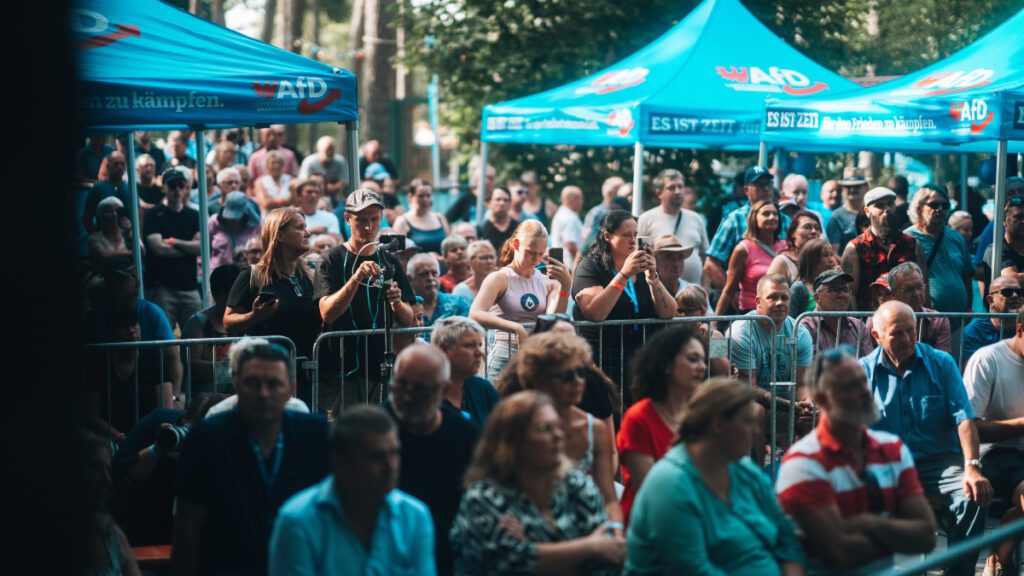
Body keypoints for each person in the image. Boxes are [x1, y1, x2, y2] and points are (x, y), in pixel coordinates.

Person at [172, 339, 329, 576]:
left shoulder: (315, 433)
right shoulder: (207, 437)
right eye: (252, 383)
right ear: (236, 385)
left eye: (273, 383)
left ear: (290, 389)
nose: (263, 393)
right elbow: (188, 526)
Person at [860, 301, 992, 576]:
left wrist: (972, 467)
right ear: (877, 336)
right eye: (898, 333)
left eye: (911, 330)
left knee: (973, 496)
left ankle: (957, 572)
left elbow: (964, 418)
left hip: (938, 463)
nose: (908, 339)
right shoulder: (862, 372)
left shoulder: (941, 363)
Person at [776, 347, 936, 573]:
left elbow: (927, 536)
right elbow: (839, 553)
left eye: (863, 381)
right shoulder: (803, 462)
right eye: (850, 386)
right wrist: (897, 535)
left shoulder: (892, 449)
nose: (865, 392)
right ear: (822, 399)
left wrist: (870, 524)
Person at [625, 379, 805, 575]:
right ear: (718, 424)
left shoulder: (745, 471)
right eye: (748, 422)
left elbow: (787, 540)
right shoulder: (670, 482)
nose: (756, 431)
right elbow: (693, 569)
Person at [450, 390, 625, 575]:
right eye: (544, 428)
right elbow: (510, 561)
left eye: (558, 426)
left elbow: (609, 554)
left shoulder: (575, 484)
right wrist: (590, 547)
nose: (558, 435)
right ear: (511, 441)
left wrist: (533, 546)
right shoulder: (482, 498)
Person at [268, 405, 435, 576]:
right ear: (341, 462)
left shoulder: (415, 516)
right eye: (377, 457)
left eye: (394, 453)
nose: (391, 466)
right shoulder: (298, 522)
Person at [499, 333, 624, 527]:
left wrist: (614, 529)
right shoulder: (515, 421)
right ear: (539, 381)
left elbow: (608, 499)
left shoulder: (593, 428)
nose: (578, 381)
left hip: (586, 516)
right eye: (567, 376)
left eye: (581, 372)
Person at [315, 188, 417, 410]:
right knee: (344, 434)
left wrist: (397, 302)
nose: (369, 227)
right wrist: (356, 278)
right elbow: (327, 312)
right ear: (347, 219)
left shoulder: (388, 259)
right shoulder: (331, 259)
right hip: (340, 368)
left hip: (380, 365)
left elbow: (408, 319)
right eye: (361, 220)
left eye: (374, 220)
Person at [384, 344, 479, 575]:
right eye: (401, 385)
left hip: (449, 553)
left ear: (444, 390)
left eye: (420, 389)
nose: (407, 395)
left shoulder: (465, 436)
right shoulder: (378, 428)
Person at [572, 210, 677, 388]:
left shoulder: (641, 264)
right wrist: (624, 274)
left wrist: (653, 278)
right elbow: (595, 312)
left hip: (641, 359)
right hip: (603, 361)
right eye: (626, 235)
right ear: (607, 236)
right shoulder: (590, 266)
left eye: (636, 235)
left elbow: (669, 312)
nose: (633, 240)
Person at [618, 327, 707, 523]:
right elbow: (650, 488)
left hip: (695, 517)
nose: (702, 367)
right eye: (693, 359)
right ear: (667, 364)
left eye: (703, 360)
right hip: (651, 523)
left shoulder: (701, 415)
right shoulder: (638, 418)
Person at [726, 274, 815, 464]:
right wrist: (789, 405)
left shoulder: (800, 331)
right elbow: (749, 388)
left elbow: (802, 384)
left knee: (815, 413)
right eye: (773, 297)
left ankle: (798, 474)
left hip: (786, 403)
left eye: (784, 297)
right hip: (751, 403)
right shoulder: (742, 330)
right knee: (755, 411)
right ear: (758, 301)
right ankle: (756, 478)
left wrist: (808, 402)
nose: (780, 303)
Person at [963, 308, 1024, 576]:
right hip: (994, 455)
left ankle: (1000, 555)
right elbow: (969, 426)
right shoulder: (988, 359)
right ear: (1019, 330)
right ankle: (1000, 558)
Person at [224, 208, 322, 373]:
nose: (308, 233)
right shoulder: (252, 275)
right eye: (300, 228)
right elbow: (228, 322)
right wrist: (254, 316)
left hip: (306, 372)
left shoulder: (310, 276)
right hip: (266, 370)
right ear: (280, 235)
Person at [470, 220, 571, 381]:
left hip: (535, 354)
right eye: (531, 252)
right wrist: (515, 328)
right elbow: (475, 314)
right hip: (504, 353)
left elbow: (552, 319)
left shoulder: (548, 282)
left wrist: (565, 287)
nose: (536, 259)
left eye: (540, 253)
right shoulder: (499, 278)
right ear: (516, 244)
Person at [705, 165, 790, 291]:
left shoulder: (785, 220)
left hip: (780, 298)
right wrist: (732, 295)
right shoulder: (734, 220)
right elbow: (711, 264)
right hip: (744, 302)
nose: (766, 188)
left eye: (768, 184)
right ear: (746, 190)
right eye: (760, 185)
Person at [842, 187, 925, 311]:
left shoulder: (911, 244)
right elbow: (849, 293)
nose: (886, 209)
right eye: (880, 205)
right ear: (867, 211)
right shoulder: (855, 248)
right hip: (870, 323)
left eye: (890, 204)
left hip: (908, 322)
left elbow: (924, 288)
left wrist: (926, 322)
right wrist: (856, 326)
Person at [74, 430, 143, 576]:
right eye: (95, 467)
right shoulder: (49, 539)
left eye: (108, 469)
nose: (106, 479)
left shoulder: (113, 535)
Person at [143, 168, 202, 332]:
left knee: (196, 340)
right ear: (163, 188)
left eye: (180, 185)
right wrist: (188, 248)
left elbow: (201, 248)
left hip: (190, 288)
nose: (177, 189)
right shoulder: (153, 215)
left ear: (186, 187)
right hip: (163, 288)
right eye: (172, 185)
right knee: (164, 341)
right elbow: (158, 249)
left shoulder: (193, 215)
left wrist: (173, 241)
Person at [905, 183, 973, 313]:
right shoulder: (908, 238)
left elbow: (967, 276)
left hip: (959, 320)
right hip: (925, 321)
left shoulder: (956, 237)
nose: (940, 209)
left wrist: (968, 308)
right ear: (919, 207)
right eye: (934, 205)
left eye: (945, 205)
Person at [636, 169, 709, 288]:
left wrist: (705, 290)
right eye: (671, 188)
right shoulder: (646, 219)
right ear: (659, 193)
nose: (678, 191)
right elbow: (638, 258)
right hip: (659, 295)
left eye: (680, 187)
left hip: (694, 295)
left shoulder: (696, 218)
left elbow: (705, 258)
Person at [716, 200, 787, 316]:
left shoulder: (786, 247)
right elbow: (729, 290)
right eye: (766, 214)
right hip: (752, 314)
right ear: (754, 218)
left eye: (775, 214)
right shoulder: (743, 249)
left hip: (781, 313)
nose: (772, 217)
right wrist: (714, 321)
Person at [865, 262, 951, 354]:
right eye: (908, 290)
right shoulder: (876, 321)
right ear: (893, 294)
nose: (917, 294)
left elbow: (942, 361)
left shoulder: (939, 320)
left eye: (919, 287)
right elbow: (870, 359)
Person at [182, 264, 243, 394]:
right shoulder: (198, 323)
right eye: (227, 299)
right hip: (206, 401)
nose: (234, 304)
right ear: (215, 295)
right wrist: (232, 369)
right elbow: (190, 365)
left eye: (238, 299)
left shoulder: (251, 319)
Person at [431, 316, 500, 427]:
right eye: (470, 346)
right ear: (444, 349)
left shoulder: (482, 387)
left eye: (480, 345)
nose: (480, 353)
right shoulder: (426, 395)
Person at [800, 269, 875, 355]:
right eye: (834, 290)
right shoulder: (806, 327)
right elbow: (813, 366)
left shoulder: (859, 327)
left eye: (845, 289)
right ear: (817, 297)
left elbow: (869, 363)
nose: (841, 295)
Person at [962, 275, 1023, 361]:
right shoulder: (974, 332)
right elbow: (971, 370)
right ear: (991, 300)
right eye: (1007, 292)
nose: (1015, 295)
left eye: (1019, 292)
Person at [675, 284, 731, 377]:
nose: (683, 315)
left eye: (688, 311)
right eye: (680, 311)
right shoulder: (674, 335)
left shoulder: (715, 335)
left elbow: (722, 370)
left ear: (702, 312)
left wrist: (710, 341)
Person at [407, 253, 470, 329]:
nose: (431, 278)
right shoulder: (405, 309)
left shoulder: (458, 303)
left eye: (434, 273)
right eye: (424, 274)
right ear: (409, 279)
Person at [391, 179, 451, 256]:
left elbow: (450, 247)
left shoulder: (440, 218)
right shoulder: (402, 221)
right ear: (410, 196)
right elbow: (394, 254)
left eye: (428, 196)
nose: (425, 199)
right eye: (421, 196)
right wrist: (426, 257)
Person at [207, 191, 261, 270]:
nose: (232, 219)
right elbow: (206, 249)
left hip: (247, 273)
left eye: (236, 216)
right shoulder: (214, 222)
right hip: (218, 273)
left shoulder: (257, 225)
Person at [767, 211, 823, 283]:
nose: (813, 231)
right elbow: (769, 291)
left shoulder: (825, 258)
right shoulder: (782, 262)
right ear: (793, 233)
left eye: (817, 228)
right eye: (806, 227)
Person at [787, 238, 838, 318]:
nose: (831, 260)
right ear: (812, 260)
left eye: (831, 255)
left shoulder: (836, 285)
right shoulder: (799, 288)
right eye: (825, 255)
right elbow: (789, 321)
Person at [88, 196, 135, 277]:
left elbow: (142, 252)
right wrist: (131, 253)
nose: (114, 214)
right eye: (109, 211)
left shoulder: (127, 234)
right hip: (102, 278)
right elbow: (105, 256)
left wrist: (129, 232)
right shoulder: (94, 237)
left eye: (118, 211)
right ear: (101, 216)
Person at [84, 150, 129, 233]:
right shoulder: (98, 188)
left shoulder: (130, 188)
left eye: (122, 164)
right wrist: (96, 236)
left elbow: (137, 215)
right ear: (108, 167)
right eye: (116, 164)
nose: (119, 166)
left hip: (126, 239)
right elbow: (87, 217)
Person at [827, 168, 868, 255]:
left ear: (866, 187)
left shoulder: (872, 212)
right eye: (848, 186)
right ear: (843, 189)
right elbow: (834, 253)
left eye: (857, 186)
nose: (852, 189)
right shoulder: (837, 217)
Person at [582, 176, 626, 253]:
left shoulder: (624, 212)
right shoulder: (597, 213)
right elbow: (587, 240)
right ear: (610, 193)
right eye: (621, 191)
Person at [550, 185, 585, 269]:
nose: (582, 202)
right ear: (573, 199)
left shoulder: (562, 214)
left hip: (563, 265)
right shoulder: (569, 218)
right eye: (580, 198)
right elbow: (570, 245)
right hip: (569, 266)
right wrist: (581, 265)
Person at [476, 187, 520, 254]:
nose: (502, 203)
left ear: (510, 204)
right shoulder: (480, 229)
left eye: (506, 200)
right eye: (498, 199)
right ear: (488, 203)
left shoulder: (519, 228)